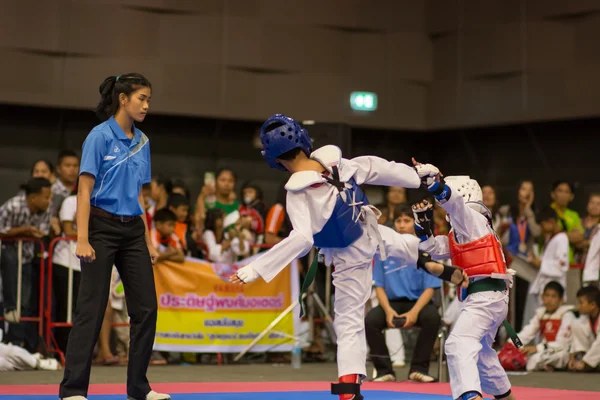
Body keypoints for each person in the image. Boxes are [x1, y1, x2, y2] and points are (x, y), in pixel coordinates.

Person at [228, 114, 451, 400]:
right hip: (370, 229)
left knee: (348, 321)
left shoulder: (298, 192)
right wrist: (417, 176)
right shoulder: (337, 163)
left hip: (348, 254)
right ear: (303, 141)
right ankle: (453, 248)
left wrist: (255, 268)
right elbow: (377, 168)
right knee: (410, 245)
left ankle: (348, 390)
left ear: (274, 159)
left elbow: (302, 239)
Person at [58, 73, 169, 400]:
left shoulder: (143, 142)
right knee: (90, 309)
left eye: (149, 99)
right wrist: (82, 237)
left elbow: (139, 197)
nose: (147, 105)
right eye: (142, 98)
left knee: (147, 308)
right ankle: (73, 389)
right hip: (101, 228)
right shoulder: (99, 137)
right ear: (123, 99)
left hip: (133, 230)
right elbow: (84, 189)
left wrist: (148, 241)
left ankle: (139, 388)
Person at [414, 171, 517, 400]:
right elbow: (433, 249)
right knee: (482, 355)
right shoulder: (466, 230)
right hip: (488, 297)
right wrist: (423, 227)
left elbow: (455, 203)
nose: (444, 211)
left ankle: (469, 397)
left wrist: (436, 186)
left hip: (486, 296)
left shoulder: (471, 218)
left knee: (459, 343)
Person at [366, 205, 443, 383]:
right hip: (391, 303)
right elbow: (379, 286)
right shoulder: (383, 250)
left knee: (433, 318)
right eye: (399, 221)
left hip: (418, 304)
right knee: (370, 321)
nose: (401, 225)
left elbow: (430, 288)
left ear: (415, 224)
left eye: (407, 221)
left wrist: (414, 313)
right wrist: (387, 311)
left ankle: (418, 369)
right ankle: (385, 371)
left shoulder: (425, 251)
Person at [511, 281, 575, 371]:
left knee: (534, 360)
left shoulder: (566, 315)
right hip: (544, 350)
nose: (549, 300)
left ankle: (550, 366)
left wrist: (538, 348)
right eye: (547, 295)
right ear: (542, 297)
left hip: (560, 351)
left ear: (561, 300)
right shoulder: (540, 313)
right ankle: (547, 366)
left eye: (553, 296)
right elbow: (526, 333)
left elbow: (562, 344)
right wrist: (511, 344)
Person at [569, 285, 600, 372]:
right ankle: (581, 357)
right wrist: (572, 356)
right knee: (576, 324)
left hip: (594, 355)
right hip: (592, 356)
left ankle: (588, 363)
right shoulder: (583, 319)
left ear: (593, 305)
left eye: (581, 303)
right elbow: (575, 340)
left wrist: (586, 362)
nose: (579, 306)